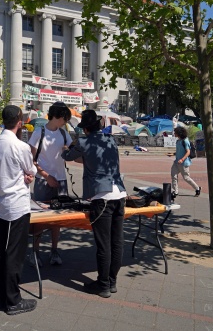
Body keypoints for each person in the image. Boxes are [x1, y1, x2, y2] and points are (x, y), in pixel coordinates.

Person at [61, 110, 127, 298]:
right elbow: (94, 158)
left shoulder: (83, 142)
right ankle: (112, 282)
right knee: (117, 242)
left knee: (103, 244)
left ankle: (103, 284)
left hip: (102, 197)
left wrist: (64, 149)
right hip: (120, 193)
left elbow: (68, 157)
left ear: (86, 129)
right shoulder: (110, 140)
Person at [0, 105, 37, 315]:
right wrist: (27, 175)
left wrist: (23, 175)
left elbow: (0, 169)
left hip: (0, 203)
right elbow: (31, 168)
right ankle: (12, 300)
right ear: (19, 122)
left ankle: (2, 296)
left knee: (0, 250)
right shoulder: (20, 146)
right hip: (16, 205)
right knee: (14, 254)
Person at [28, 101, 72, 266]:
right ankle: (35, 252)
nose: (66, 122)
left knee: (58, 218)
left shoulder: (63, 133)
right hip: (43, 181)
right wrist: (46, 176)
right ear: (59, 117)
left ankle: (54, 250)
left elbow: (70, 150)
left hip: (61, 180)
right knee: (40, 218)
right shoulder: (40, 132)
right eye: (65, 119)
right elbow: (31, 160)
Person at [168, 126, 201, 198]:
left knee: (186, 178)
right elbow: (179, 151)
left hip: (184, 163)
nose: (174, 133)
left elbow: (188, 152)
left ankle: (197, 188)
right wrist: (173, 154)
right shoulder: (178, 141)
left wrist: (182, 159)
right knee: (174, 176)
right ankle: (175, 191)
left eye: (175, 132)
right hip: (176, 162)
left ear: (179, 133)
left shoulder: (185, 141)